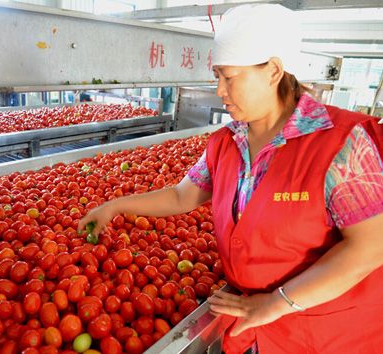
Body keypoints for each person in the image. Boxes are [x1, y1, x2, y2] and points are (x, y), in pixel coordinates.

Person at [78, 4, 383, 354]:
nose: (220, 90)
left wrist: (277, 302)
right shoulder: (227, 142)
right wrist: (114, 207)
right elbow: (182, 197)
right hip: (255, 328)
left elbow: (371, 245)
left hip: (327, 335)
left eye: (229, 77)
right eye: (217, 77)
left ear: (272, 71)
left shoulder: (341, 143)